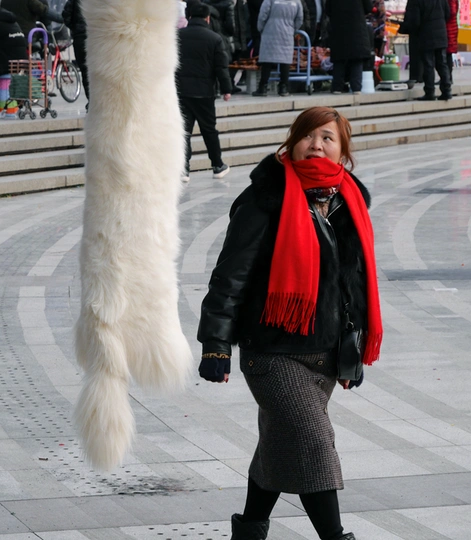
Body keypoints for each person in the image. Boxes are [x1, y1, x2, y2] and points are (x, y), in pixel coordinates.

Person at [197, 106, 382, 540]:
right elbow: (230, 276)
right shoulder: (265, 198)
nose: (316, 144)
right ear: (292, 142)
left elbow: (353, 285)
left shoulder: (350, 202)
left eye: (327, 138)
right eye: (308, 136)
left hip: (326, 356)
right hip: (272, 351)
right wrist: (216, 344)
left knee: (280, 445)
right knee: (314, 444)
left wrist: (354, 351)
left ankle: (249, 531)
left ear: (342, 151)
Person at [177, 2, 232, 183]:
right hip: (205, 93)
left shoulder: (178, 36)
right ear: (208, 18)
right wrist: (226, 89)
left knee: (184, 131)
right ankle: (217, 165)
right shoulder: (214, 38)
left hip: (182, 92)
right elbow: (221, 67)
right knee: (209, 130)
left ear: (189, 17)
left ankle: (184, 169)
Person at [399, 0, 451, 101]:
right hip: (441, 34)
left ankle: (430, 92)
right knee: (442, 63)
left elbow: (414, 21)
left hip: (426, 35)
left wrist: (404, 28)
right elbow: (447, 14)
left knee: (428, 64)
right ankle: (447, 90)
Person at [252, 0, 304, 97]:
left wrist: (261, 28)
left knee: (267, 60)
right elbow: (300, 18)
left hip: (270, 31)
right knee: (285, 61)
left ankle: (263, 87)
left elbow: (263, 15)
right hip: (287, 33)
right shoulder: (297, 1)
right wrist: (292, 29)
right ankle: (283, 87)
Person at [326, 0, 372, 94]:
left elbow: (327, 10)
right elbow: (368, 8)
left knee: (339, 60)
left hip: (339, 29)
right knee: (357, 59)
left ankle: (337, 87)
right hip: (357, 28)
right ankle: (356, 88)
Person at [62, 0, 88, 105]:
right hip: (97, 36)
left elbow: (66, 15)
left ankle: (91, 101)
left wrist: (75, 28)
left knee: (85, 70)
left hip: (80, 36)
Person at [446, 0, 459, 84]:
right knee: (447, 53)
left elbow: (452, 12)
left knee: (447, 53)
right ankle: (447, 77)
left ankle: (448, 77)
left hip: (449, 28)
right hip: (450, 27)